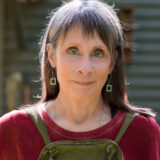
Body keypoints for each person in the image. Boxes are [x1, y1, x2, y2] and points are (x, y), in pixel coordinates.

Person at [0, 0, 160, 159]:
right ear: (51, 55)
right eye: (73, 51)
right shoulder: (11, 131)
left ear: (112, 62)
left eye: (98, 53)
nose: (85, 68)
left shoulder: (142, 133)